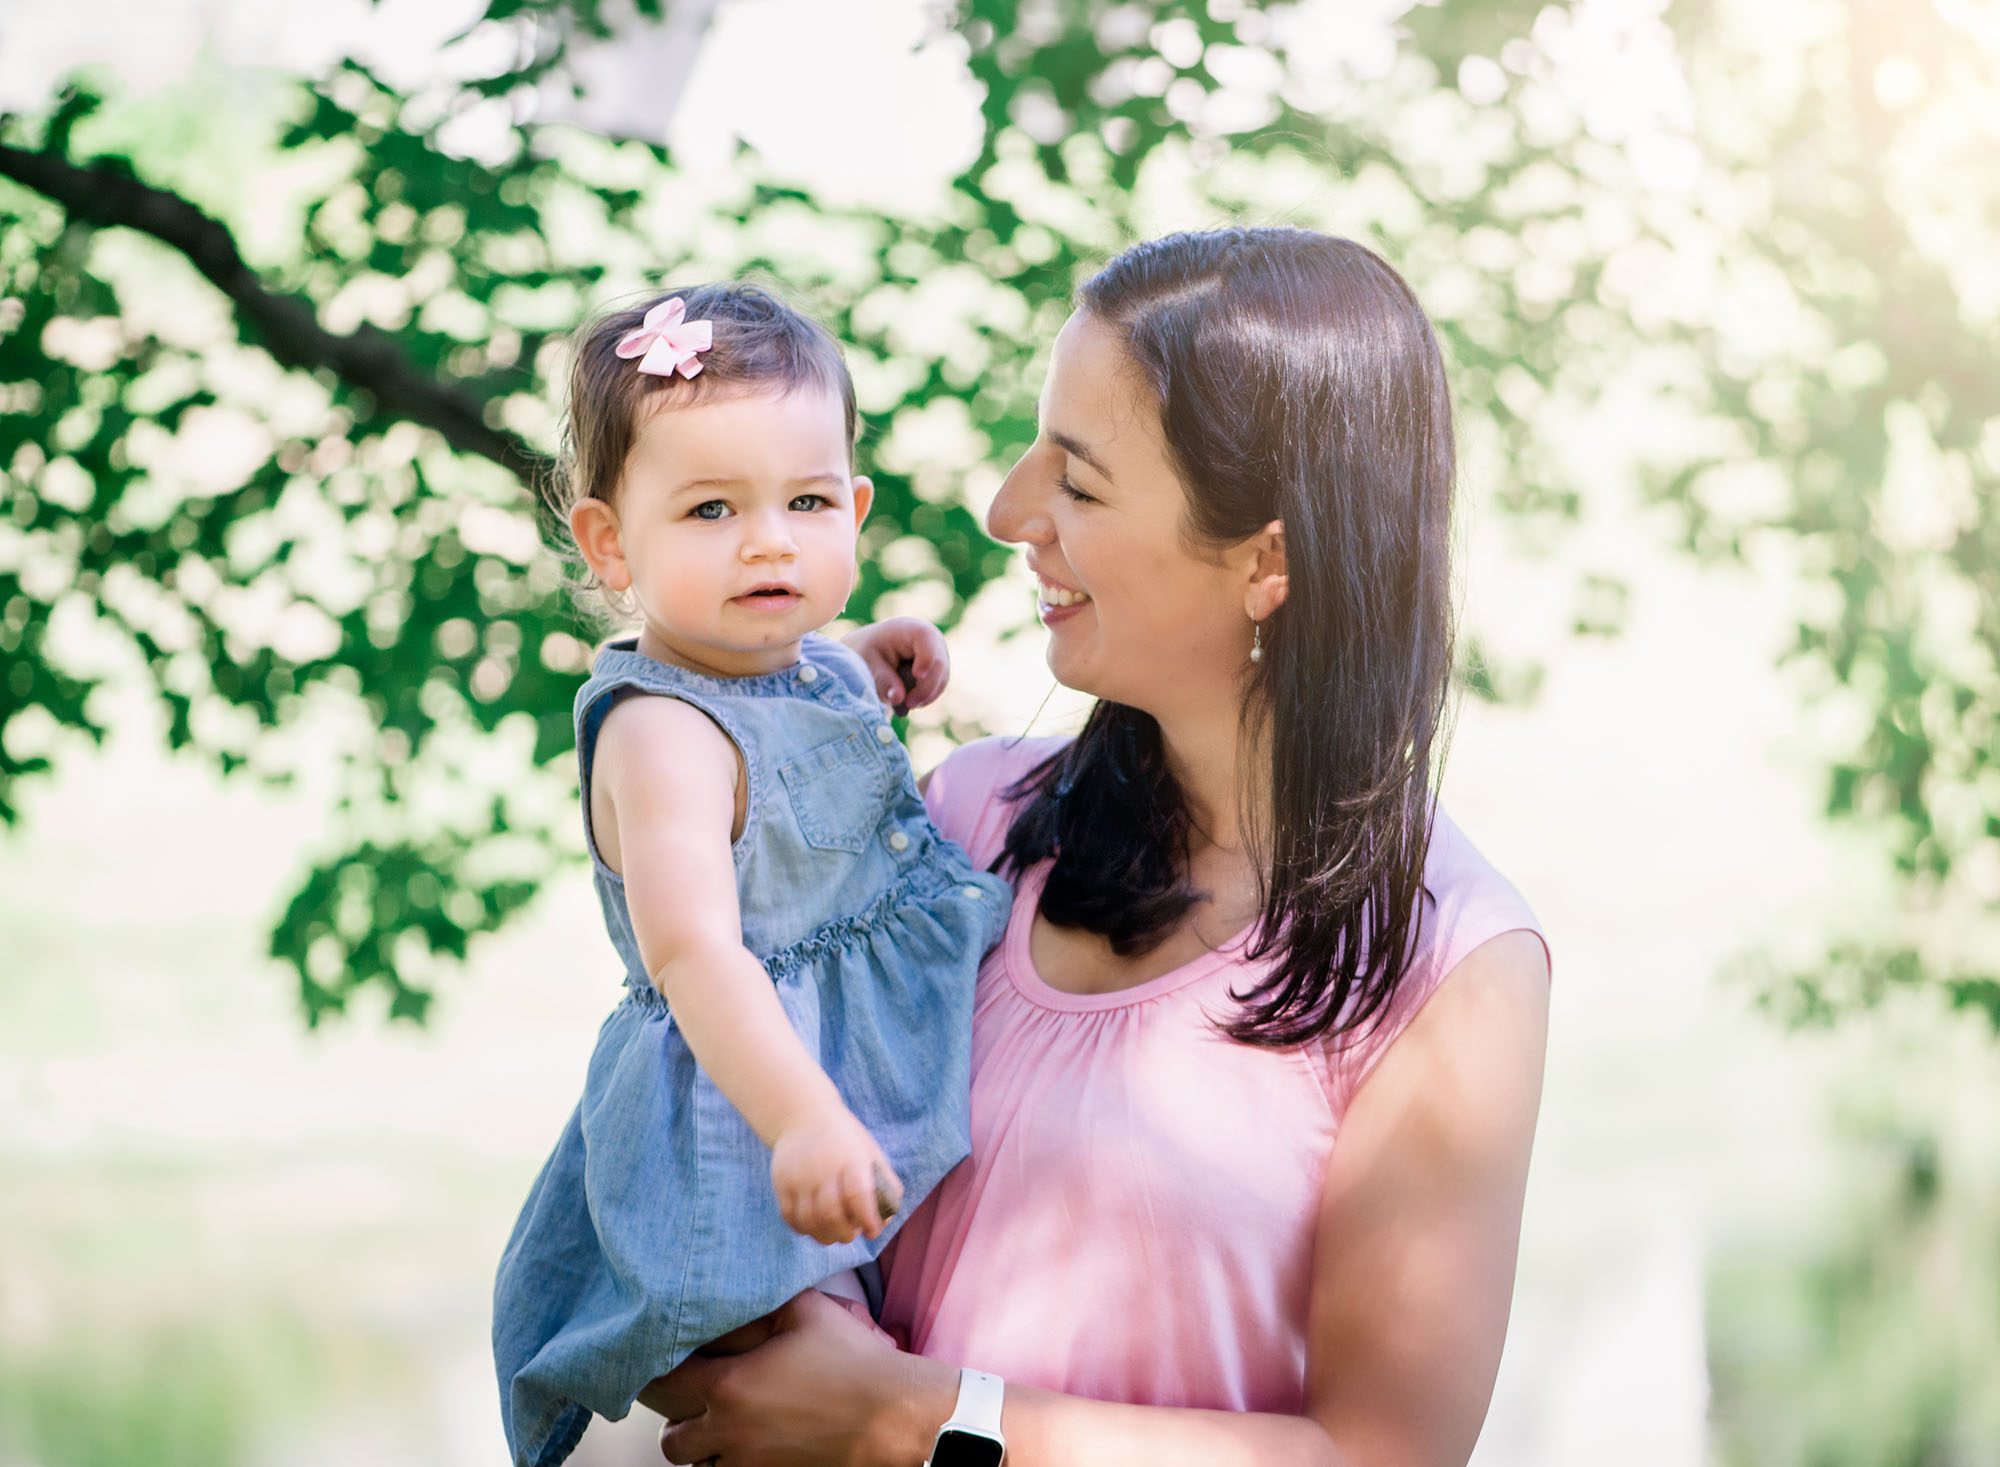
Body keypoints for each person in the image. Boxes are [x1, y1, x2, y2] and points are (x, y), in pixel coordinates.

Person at [644, 227, 1554, 1467]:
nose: (1010, 510)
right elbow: (703, 1113)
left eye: (1077, 482)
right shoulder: (962, 821)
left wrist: (917, 1422)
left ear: (1264, 559)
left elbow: (1379, 1454)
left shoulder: (1448, 964)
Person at [490, 282, 1012, 1467]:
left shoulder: (789, 659)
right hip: (746, 1121)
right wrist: (800, 1122)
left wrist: (862, 659)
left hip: (832, 1103)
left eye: (807, 501)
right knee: (793, 1380)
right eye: (712, 507)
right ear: (610, 541)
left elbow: (790, 699)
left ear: (855, 508)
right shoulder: (661, 735)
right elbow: (695, 955)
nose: (770, 539)